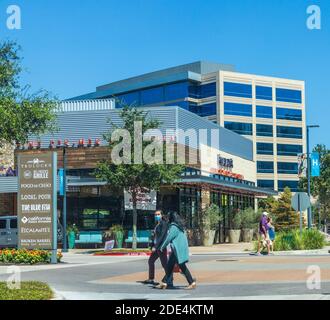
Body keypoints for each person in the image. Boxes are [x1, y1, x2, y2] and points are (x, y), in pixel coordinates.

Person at [155, 211, 196, 290]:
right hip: (177, 249)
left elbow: (168, 238)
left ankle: (191, 282)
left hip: (177, 249)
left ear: (171, 218)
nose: (167, 218)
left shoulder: (174, 227)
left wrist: (162, 247)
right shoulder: (179, 226)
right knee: (170, 266)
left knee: (181, 266)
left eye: (168, 217)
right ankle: (164, 282)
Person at [142, 210, 172, 286]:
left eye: (158, 214)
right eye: (155, 214)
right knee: (151, 261)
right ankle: (151, 279)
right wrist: (152, 245)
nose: (156, 216)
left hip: (161, 247)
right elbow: (154, 236)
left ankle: (170, 279)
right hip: (156, 246)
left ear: (162, 215)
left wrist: (156, 246)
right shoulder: (157, 224)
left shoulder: (164, 223)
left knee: (164, 264)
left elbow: (162, 236)